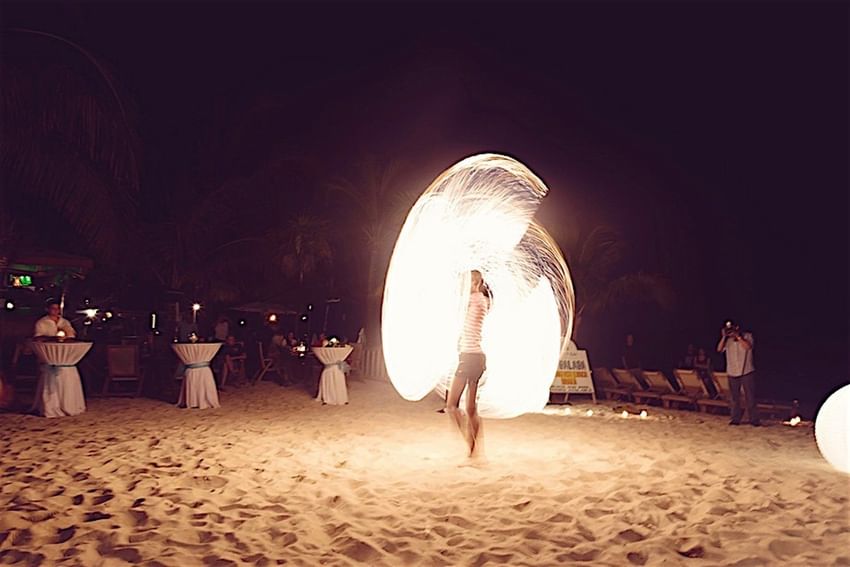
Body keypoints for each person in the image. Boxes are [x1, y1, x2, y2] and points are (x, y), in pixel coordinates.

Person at [446, 270, 491, 458]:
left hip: (470, 358)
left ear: (479, 282)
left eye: (473, 281)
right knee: (471, 408)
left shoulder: (475, 300)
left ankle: (470, 444)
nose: (469, 284)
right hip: (475, 357)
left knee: (451, 406)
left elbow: (455, 306)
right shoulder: (481, 300)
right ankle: (473, 450)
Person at [716, 320, 760, 426]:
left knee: (750, 397)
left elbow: (748, 347)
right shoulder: (728, 340)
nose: (730, 331)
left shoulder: (747, 336)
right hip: (732, 371)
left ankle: (753, 419)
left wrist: (738, 337)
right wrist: (723, 337)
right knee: (734, 398)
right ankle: (735, 419)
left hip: (746, 371)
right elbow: (719, 349)